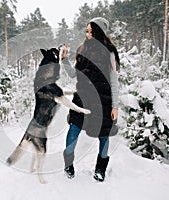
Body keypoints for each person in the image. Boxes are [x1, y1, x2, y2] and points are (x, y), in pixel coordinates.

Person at [60, 17, 120, 182]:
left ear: (98, 32)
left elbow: (114, 81)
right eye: (86, 31)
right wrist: (64, 60)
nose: (87, 34)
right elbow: (73, 74)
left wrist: (115, 106)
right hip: (82, 98)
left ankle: (100, 169)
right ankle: (68, 164)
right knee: (73, 130)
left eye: (90, 31)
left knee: (104, 135)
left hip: (103, 100)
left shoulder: (109, 52)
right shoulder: (82, 49)